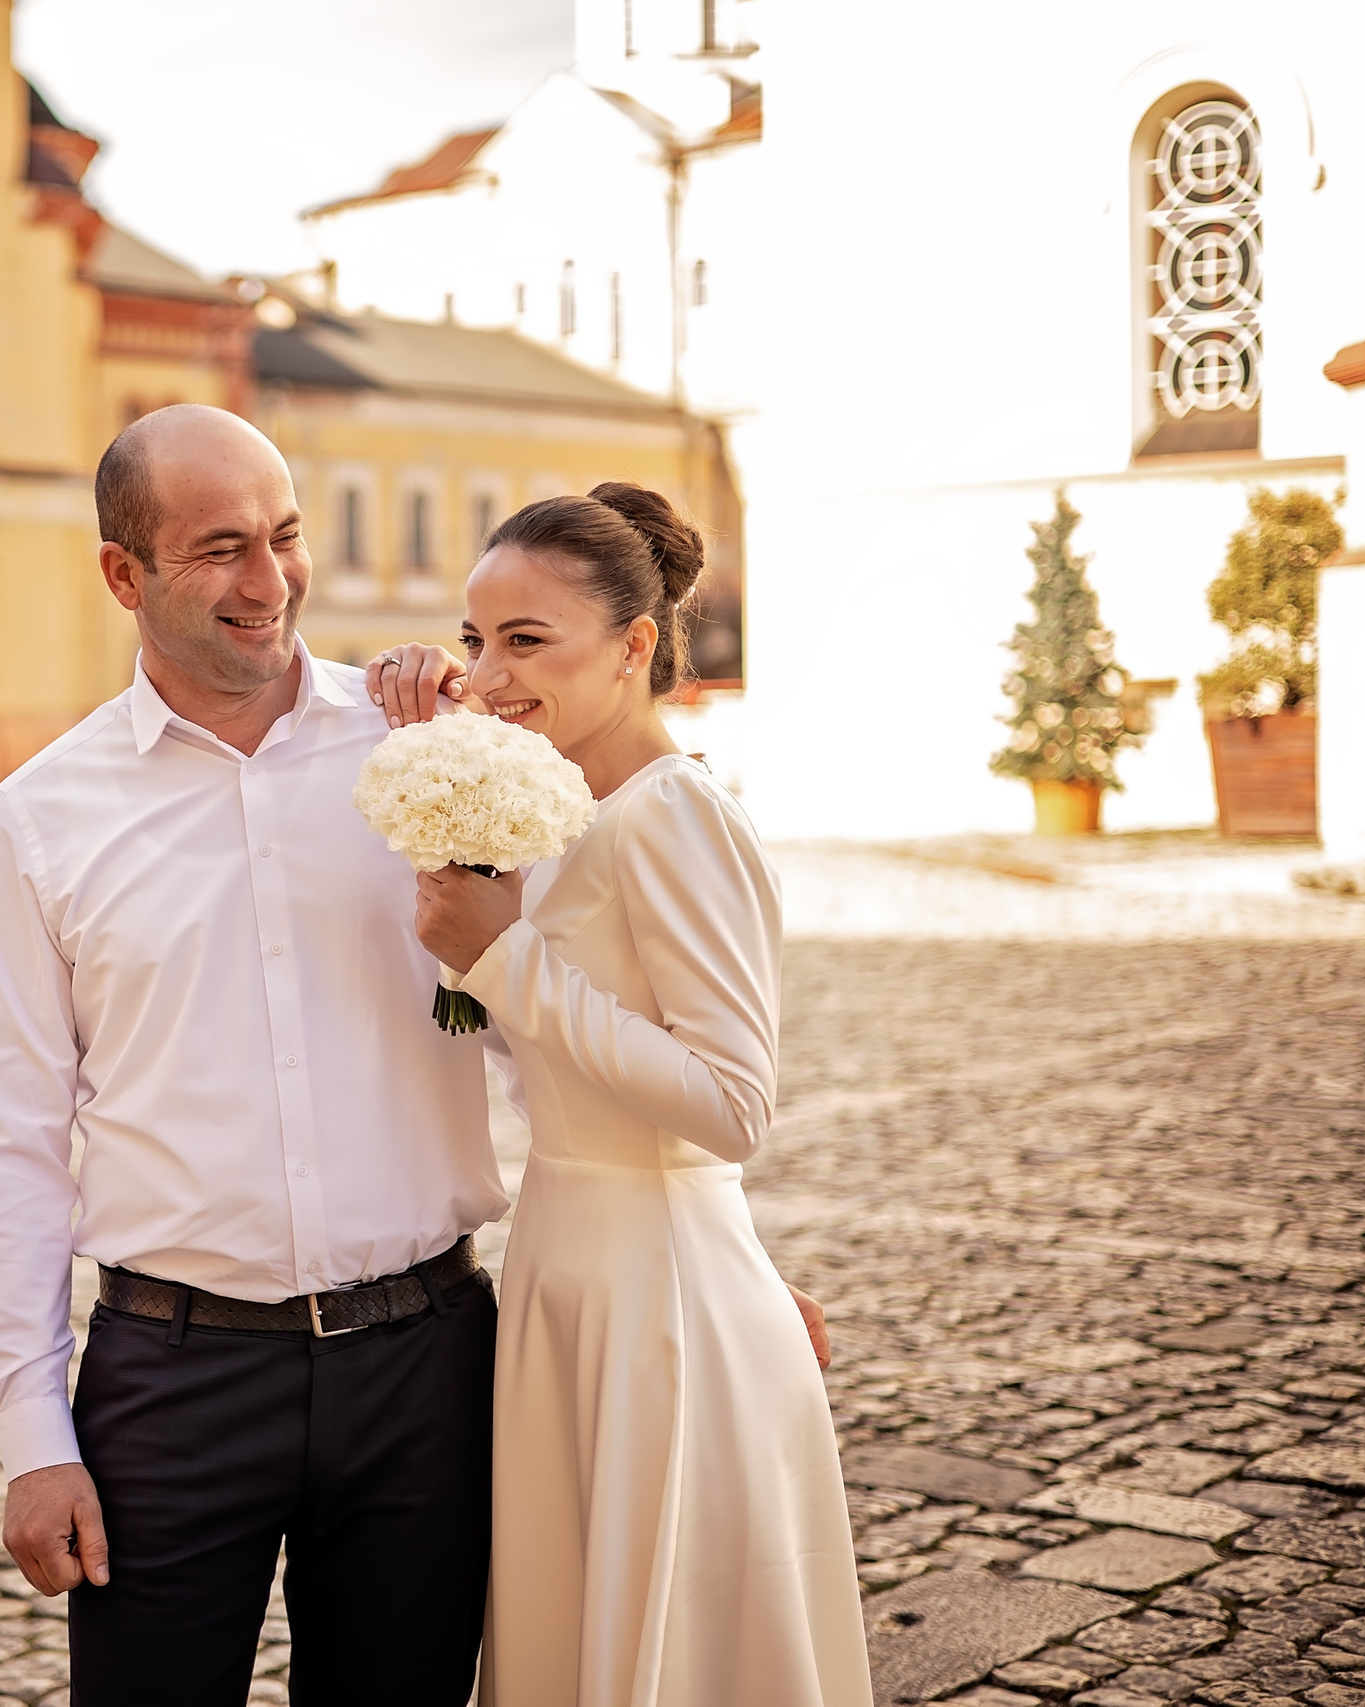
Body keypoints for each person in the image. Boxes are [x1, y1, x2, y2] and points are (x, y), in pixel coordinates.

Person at [0, 405, 504, 1707]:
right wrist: (32, 1435)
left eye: (284, 534)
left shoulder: (428, 747)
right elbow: (6, 1136)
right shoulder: (41, 818)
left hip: (425, 1371)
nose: (270, 581)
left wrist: (708, 1248)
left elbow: (560, 1023)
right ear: (122, 574)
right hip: (172, 1383)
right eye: (219, 550)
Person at [396, 487, 872, 1706]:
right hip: (565, 1267)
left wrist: (506, 959)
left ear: (633, 644)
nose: (488, 677)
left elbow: (732, 1103)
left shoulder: (677, 814)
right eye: (474, 640)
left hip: (653, 1292)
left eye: (526, 640)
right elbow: (567, 1067)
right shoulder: (565, 817)